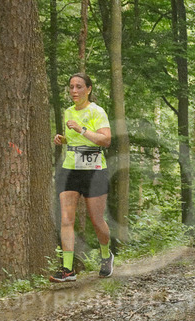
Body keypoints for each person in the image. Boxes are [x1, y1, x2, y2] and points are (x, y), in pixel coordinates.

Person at [50, 73, 114, 282]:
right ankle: (68, 269)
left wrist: (81, 129)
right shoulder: (68, 111)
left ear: (89, 89)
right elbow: (75, 140)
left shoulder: (97, 111)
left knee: (96, 220)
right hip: (70, 169)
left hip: (94, 170)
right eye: (71, 87)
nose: (74, 91)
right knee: (66, 219)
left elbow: (105, 140)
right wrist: (63, 139)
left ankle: (106, 255)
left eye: (79, 86)